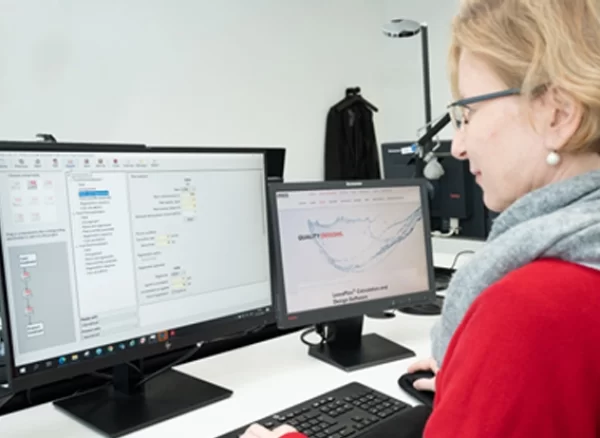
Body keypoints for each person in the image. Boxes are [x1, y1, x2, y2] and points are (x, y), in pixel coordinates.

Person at [241, 0, 600, 436]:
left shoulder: (529, 309)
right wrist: (478, 380)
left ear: (558, 114)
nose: (459, 146)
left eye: (466, 115)